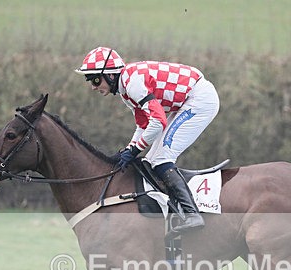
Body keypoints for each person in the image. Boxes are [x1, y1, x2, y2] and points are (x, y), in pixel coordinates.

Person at [75, 47, 220, 233]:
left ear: (110, 75)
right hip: (187, 100)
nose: (93, 86)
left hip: (199, 100)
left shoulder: (132, 84)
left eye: (95, 79)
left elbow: (158, 121)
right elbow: (144, 125)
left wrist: (135, 150)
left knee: (161, 159)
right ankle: (174, 209)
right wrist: (128, 149)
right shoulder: (126, 89)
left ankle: (192, 214)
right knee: (151, 161)